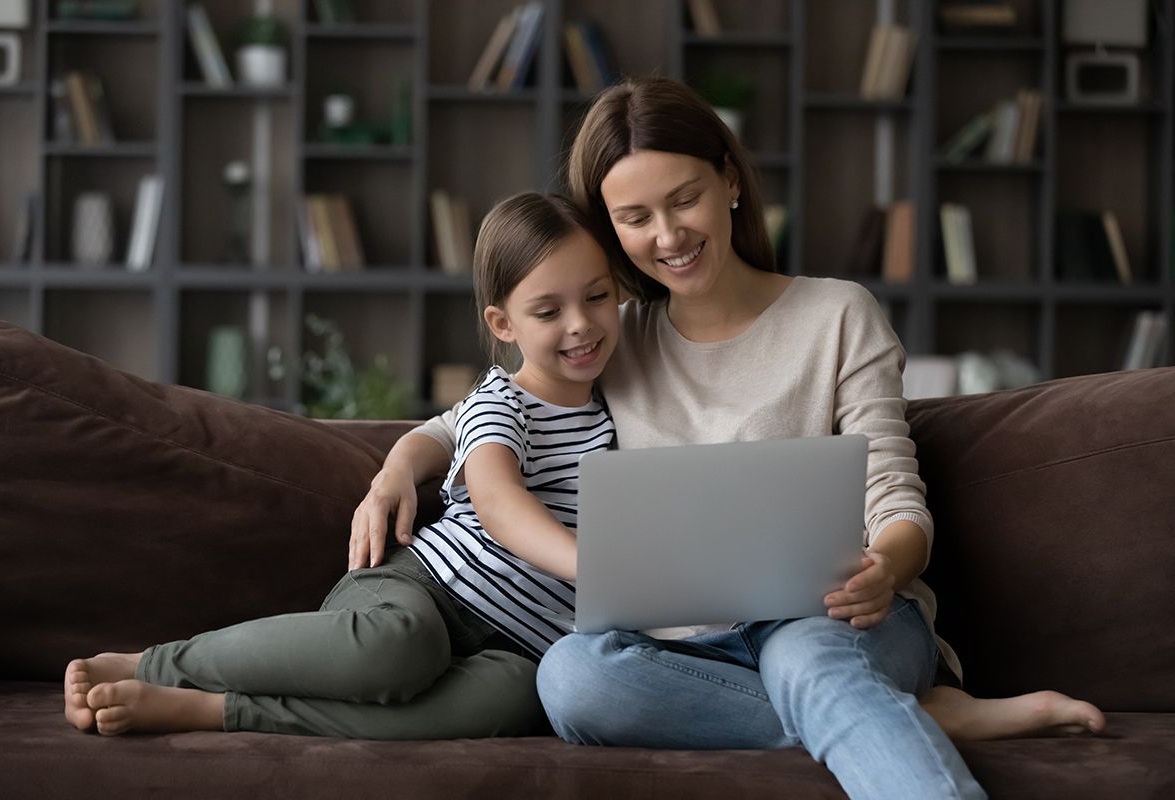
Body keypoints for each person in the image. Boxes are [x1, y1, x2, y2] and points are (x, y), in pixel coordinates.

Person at [350, 78, 1105, 799]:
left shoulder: (838, 315)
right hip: (680, 647)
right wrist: (395, 469)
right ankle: (910, 717)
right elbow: (471, 419)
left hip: (837, 618)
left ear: (730, 182)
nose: (668, 236)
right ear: (609, 228)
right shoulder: (610, 332)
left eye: (685, 200)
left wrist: (887, 565)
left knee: (806, 657)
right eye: (635, 218)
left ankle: (860, 706)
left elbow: (894, 493)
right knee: (570, 676)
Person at [63, 192, 617, 740]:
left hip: (520, 644)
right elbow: (497, 501)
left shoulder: (615, 414)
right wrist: (594, 566)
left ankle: (214, 710)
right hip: (426, 590)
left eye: (597, 297)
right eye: (548, 311)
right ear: (504, 325)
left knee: (514, 699)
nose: (581, 325)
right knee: (401, 647)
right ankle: (157, 664)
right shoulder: (502, 402)